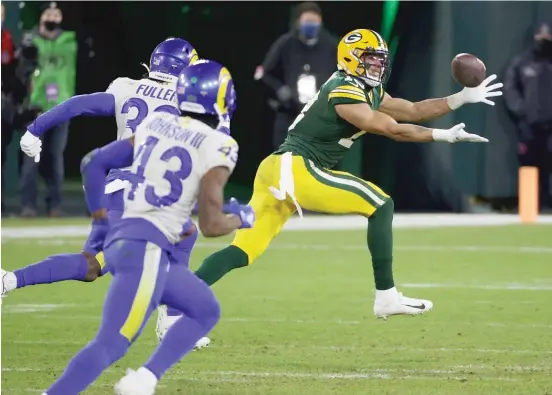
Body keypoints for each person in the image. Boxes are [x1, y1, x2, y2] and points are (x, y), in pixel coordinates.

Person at [185, 28, 502, 324]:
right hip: (295, 167)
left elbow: (413, 110)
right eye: (372, 59)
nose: (379, 65)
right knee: (380, 204)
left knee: (243, 252)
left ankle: (177, 304)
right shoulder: (344, 90)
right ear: (353, 58)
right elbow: (389, 128)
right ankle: (386, 297)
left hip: (278, 169)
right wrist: (442, 136)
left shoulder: (366, 88)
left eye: (381, 59)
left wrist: (459, 99)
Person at [38, 60, 254, 395]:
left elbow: (93, 163)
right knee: (111, 345)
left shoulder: (157, 124)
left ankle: (144, 378)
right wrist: (242, 218)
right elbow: (211, 226)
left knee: (204, 309)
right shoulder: (219, 144)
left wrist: (99, 220)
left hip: (127, 234)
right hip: (146, 251)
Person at [3, 38, 215, 348]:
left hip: (115, 187)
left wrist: (36, 129)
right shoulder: (187, 97)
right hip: (143, 191)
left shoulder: (126, 87)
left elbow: (79, 104)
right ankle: (170, 320)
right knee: (177, 237)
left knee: (94, 265)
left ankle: (8, 280)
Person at [18, 2, 78, 217]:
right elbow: (20, 70)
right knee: (31, 159)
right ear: (41, 16)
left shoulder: (70, 41)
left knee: (56, 159)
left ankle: (55, 205)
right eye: (48, 13)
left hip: (62, 106)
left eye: (56, 13)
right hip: (37, 106)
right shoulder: (30, 40)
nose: (52, 16)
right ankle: (28, 205)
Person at [257, 2, 337, 149]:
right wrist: (279, 91)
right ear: (298, 22)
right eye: (307, 21)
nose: (311, 25)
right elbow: (264, 74)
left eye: (314, 21)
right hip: (289, 117)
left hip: (321, 119)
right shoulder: (285, 44)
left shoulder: (331, 47)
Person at [504, 22, 552, 210]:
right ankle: (529, 206)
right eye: (541, 38)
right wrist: (521, 110)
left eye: (547, 38)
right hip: (530, 126)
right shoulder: (522, 63)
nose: (544, 42)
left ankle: (547, 205)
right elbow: (510, 88)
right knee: (529, 166)